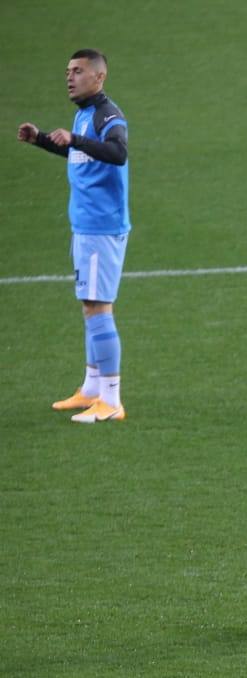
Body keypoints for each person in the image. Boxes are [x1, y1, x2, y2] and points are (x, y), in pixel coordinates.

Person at [18, 49, 131, 423]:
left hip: (102, 226)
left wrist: (76, 141)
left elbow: (117, 152)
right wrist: (42, 141)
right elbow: (79, 154)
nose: (69, 77)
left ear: (99, 77)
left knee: (98, 306)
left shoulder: (106, 114)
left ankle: (112, 400)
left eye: (78, 71)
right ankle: (91, 389)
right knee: (89, 305)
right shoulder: (83, 115)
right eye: (67, 71)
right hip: (85, 225)